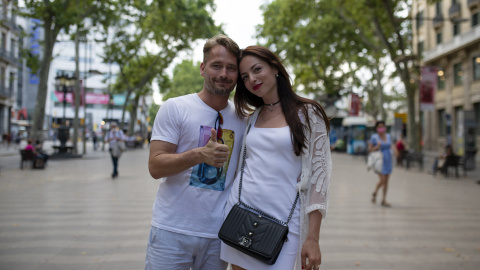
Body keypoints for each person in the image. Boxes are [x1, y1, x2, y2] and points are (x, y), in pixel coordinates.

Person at [220, 46, 332, 270]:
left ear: (275, 68)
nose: (252, 79)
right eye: (245, 76)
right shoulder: (253, 117)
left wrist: (313, 238)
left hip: (284, 223)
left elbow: (320, 180)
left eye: (257, 69)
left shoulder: (309, 113)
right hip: (241, 214)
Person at [145, 34, 246, 270]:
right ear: (202, 68)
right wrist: (199, 155)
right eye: (216, 66)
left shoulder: (244, 119)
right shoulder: (175, 108)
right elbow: (155, 167)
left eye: (231, 68)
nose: (223, 74)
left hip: (219, 236)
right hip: (171, 231)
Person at [368, 121, 397, 207]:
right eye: (379, 127)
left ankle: (383, 199)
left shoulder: (388, 136)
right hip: (379, 162)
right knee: (382, 180)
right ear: (377, 129)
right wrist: (377, 146)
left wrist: (395, 151)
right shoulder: (374, 137)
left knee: (386, 181)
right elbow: (370, 149)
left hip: (388, 160)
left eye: (383, 126)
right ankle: (375, 193)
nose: (381, 128)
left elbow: (391, 145)